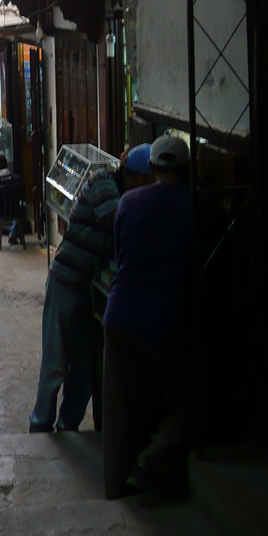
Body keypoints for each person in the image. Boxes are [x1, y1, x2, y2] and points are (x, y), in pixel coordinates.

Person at [28, 145, 153, 434]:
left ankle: (67, 424)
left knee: (84, 370)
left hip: (88, 289)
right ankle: (40, 424)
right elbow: (121, 224)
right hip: (66, 282)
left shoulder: (118, 191)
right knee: (55, 363)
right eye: (149, 182)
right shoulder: (104, 185)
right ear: (138, 179)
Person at [102, 134, 193, 499]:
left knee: (121, 409)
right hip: (168, 320)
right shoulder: (196, 205)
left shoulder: (128, 203)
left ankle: (114, 486)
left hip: (120, 315)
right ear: (186, 170)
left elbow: (120, 251)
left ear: (153, 169)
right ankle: (153, 462)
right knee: (189, 401)